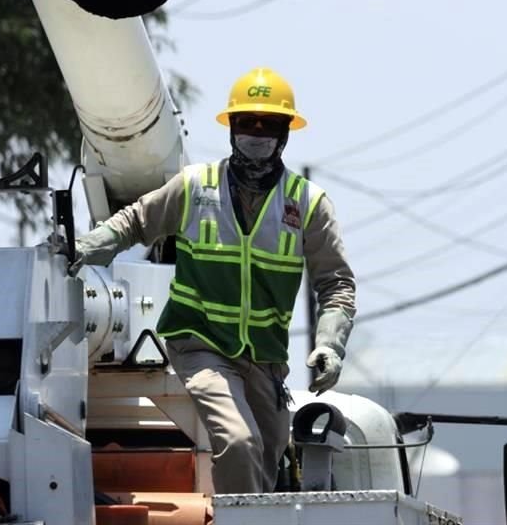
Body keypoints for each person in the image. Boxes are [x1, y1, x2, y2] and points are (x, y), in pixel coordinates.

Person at [70, 68, 356, 494]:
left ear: (285, 133)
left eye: (268, 124)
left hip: (264, 357)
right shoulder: (195, 187)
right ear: (231, 128)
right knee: (239, 442)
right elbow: (136, 221)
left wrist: (330, 346)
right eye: (247, 123)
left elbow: (336, 284)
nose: (256, 133)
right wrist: (81, 248)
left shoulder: (306, 204)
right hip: (198, 343)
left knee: (268, 453)